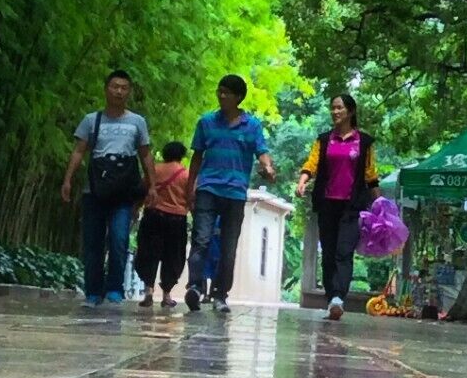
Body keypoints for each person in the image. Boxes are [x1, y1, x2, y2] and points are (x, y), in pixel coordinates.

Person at [61, 69, 153, 306]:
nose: (119, 91)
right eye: (115, 86)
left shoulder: (137, 122)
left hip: (123, 193)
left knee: (119, 239)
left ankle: (114, 288)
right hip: (94, 190)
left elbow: (145, 155)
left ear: (129, 91)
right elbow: (79, 151)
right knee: (92, 243)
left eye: (124, 87)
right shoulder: (92, 120)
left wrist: (152, 185)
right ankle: (93, 291)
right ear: (106, 89)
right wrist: (68, 180)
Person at [184, 74, 275, 314]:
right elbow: (197, 156)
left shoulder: (252, 125)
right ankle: (194, 286)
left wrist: (267, 167)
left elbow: (262, 152)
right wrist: (190, 186)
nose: (222, 96)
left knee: (228, 246)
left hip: (235, 192)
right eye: (219, 91)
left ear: (238, 97)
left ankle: (220, 294)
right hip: (208, 189)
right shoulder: (206, 122)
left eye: (227, 92)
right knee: (201, 239)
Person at [295, 93, 380, 323]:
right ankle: (331, 296)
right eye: (332, 108)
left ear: (350, 111)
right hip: (327, 203)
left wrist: (379, 204)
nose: (335, 112)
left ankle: (338, 299)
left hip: (352, 206)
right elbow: (311, 163)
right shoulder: (324, 140)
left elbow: (371, 175)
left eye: (339, 108)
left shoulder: (364, 142)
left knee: (344, 251)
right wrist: (303, 181)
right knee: (329, 253)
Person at [134, 141, 191, 310]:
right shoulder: (186, 175)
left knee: (148, 253)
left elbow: (141, 190)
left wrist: (135, 209)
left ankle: (148, 292)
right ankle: (166, 295)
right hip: (177, 220)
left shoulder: (154, 171)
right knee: (173, 258)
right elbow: (191, 198)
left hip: (153, 216)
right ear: (181, 155)